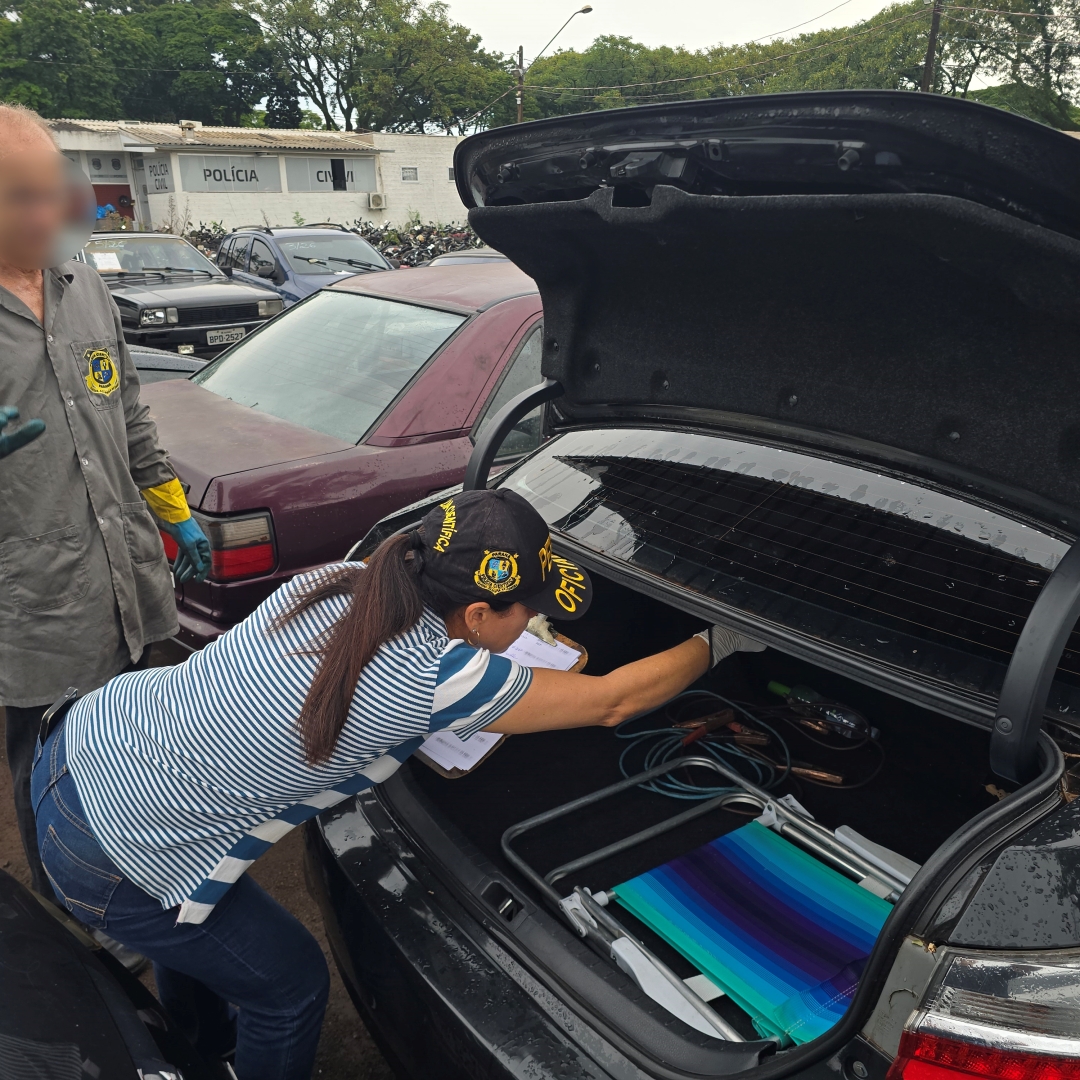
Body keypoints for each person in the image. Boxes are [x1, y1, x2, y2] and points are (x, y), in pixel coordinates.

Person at [31, 488, 765, 1080]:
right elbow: (613, 702)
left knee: (201, 931)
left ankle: (203, 1048)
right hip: (117, 851)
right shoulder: (442, 677)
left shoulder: (344, 579)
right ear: (476, 614)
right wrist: (723, 638)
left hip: (85, 743)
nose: (535, 620)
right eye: (530, 610)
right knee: (291, 988)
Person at [0, 103, 211, 908]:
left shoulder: (81, 280)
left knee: (127, 745)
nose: (46, 215)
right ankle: (69, 914)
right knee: (45, 766)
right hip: (37, 606)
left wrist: (173, 511)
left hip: (126, 575)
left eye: (50, 192)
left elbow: (125, 412)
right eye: (21, 198)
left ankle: (133, 877)